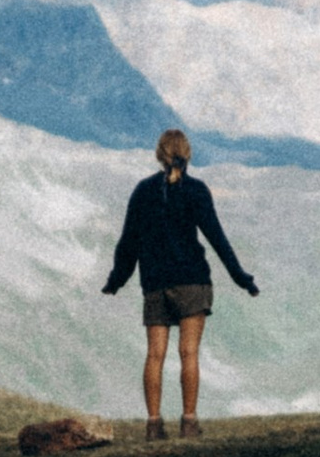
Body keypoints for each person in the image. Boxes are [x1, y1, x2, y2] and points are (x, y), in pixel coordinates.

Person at [101, 128, 257, 438]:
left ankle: (154, 425)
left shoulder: (143, 191)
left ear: (159, 155)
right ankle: (188, 422)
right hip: (192, 282)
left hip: (155, 283)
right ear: (188, 154)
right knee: (189, 354)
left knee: (154, 355)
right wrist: (242, 278)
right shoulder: (197, 191)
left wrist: (116, 281)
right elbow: (217, 238)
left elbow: (128, 242)